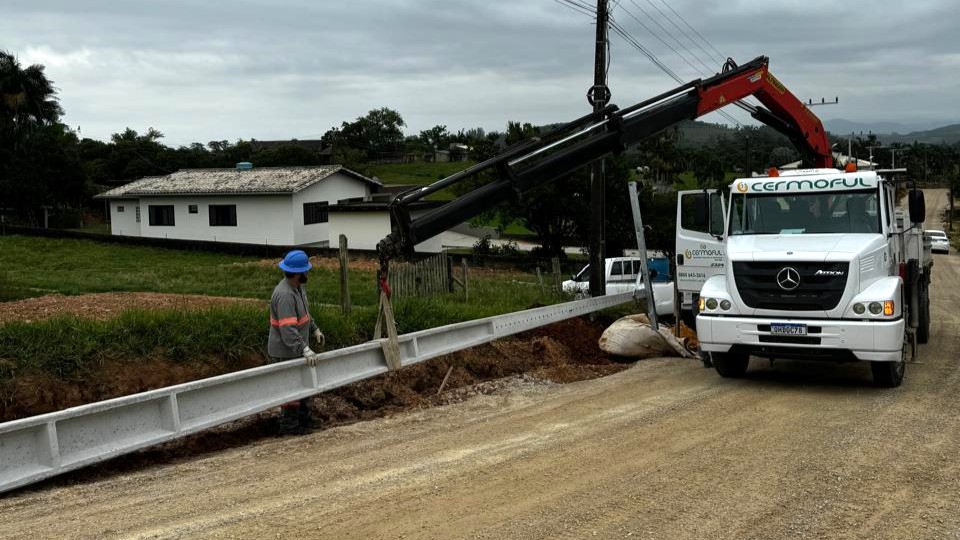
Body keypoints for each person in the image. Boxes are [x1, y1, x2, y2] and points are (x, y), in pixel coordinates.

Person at [268, 249, 325, 435]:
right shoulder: (285, 295)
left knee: (303, 384)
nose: (308, 274)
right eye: (306, 271)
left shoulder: (298, 289)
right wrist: (305, 349)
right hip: (285, 351)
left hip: (296, 349)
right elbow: (288, 331)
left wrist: (314, 328)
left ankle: (304, 420)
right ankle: (289, 426)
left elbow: (304, 315)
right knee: (290, 390)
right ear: (298, 273)